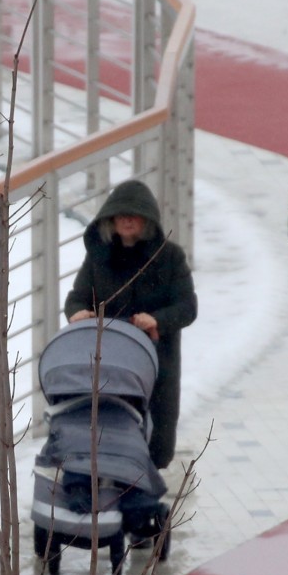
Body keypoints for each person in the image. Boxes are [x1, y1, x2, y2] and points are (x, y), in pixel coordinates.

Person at [65, 179, 198, 470]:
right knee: (109, 437)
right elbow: (76, 298)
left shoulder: (170, 257)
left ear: (147, 220)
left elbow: (188, 307)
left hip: (157, 362)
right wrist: (78, 313)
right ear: (109, 219)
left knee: (157, 445)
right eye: (120, 214)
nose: (126, 220)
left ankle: (149, 501)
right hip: (108, 363)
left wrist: (157, 320)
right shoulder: (98, 256)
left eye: (134, 214)